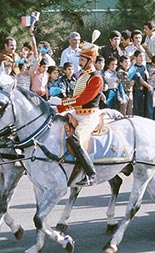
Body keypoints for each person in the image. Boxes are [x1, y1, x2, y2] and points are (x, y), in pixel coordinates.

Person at [49, 39, 104, 186]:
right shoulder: (82, 76)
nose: (79, 62)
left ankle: (91, 173)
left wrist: (62, 102)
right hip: (77, 112)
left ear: (90, 60)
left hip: (89, 116)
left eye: (82, 59)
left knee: (75, 140)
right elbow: (75, 99)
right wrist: (56, 106)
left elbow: (82, 99)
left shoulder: (97, 78)